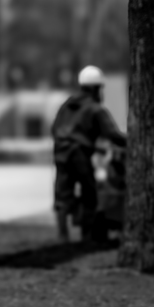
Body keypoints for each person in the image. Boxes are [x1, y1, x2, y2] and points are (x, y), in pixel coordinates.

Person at [50, 65, 127, 242]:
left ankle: (63, 237)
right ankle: (87, 237)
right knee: (89, 192)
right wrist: (133, 142)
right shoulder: (95, 108)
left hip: (61, 152)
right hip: (79, 154)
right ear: (96, 89)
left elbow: (55, 128)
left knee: (63, 194)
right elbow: (112, 134)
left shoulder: (67, 105)